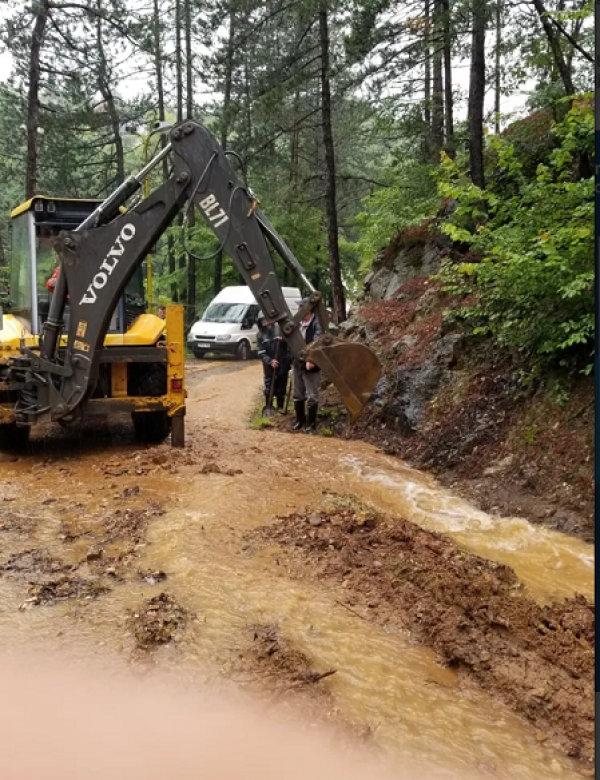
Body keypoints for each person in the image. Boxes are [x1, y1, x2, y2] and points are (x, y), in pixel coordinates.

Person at [292, 300, 322, 434]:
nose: (298, 309)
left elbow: (317, 342)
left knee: (311, 395)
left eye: (300, 307)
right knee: (297, 393)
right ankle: (300, 420)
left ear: (307, 309)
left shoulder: (317, 324)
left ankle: (311, 424)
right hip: (297, 363)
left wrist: (311, 359)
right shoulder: (298, 323)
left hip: (311, 364)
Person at [257, 315, 291, 412]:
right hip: (269, 367)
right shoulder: (260, 335)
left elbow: (289, 345)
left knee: (281, 387)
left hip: (283, 363)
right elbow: (261, 352)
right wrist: (270, 361)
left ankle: (280, 408)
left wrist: (283, 340)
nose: (266, 323)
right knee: (269, 387)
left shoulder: (280, 330)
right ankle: (269, 407)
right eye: (263, 321)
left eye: (267, 320)